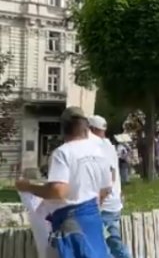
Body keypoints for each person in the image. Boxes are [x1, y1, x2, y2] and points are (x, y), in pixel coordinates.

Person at [15, 106, 112, 257]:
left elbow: (58, 191)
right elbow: (106, 188)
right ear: (86, 128)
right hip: (93, 217)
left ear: (63, 129)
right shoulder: (99, 151)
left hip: (71, 220)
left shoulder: (63, 152)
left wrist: (28, 186)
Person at [89, 115, 132, 258]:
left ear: (92, 129)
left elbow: (108, 178)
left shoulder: (96, 147)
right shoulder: (109, 146)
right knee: (115, 242)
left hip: (103, 205)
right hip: (114, 204)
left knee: (100, 245)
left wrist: (98, 202)